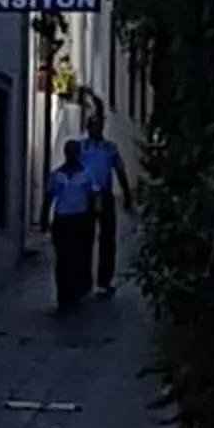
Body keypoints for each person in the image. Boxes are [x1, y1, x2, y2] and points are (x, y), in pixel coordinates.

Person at [81, 109, 135, 294]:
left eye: (99, 126)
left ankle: (104, 280)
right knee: (84, 238)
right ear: (88, 128)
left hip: (104, 195)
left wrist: (127, 194)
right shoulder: (81, 148)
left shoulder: (110, 148)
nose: (96, 129)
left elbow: (119, 170)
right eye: (93, 126)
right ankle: (84, 279)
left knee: (107, 238)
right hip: (86, 195)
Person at [42, 139, 97, 311]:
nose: (72, 154)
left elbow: (93, 196)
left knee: (78, 256)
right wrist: (44, 218)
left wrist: (94, 216)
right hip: (62, 220)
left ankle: (75, 290)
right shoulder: (57, 175)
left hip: (81, 219)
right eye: (70, 151)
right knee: (63, 257)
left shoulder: (87, 174)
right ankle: (63, 293)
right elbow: (49, 197)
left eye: (75, 151)